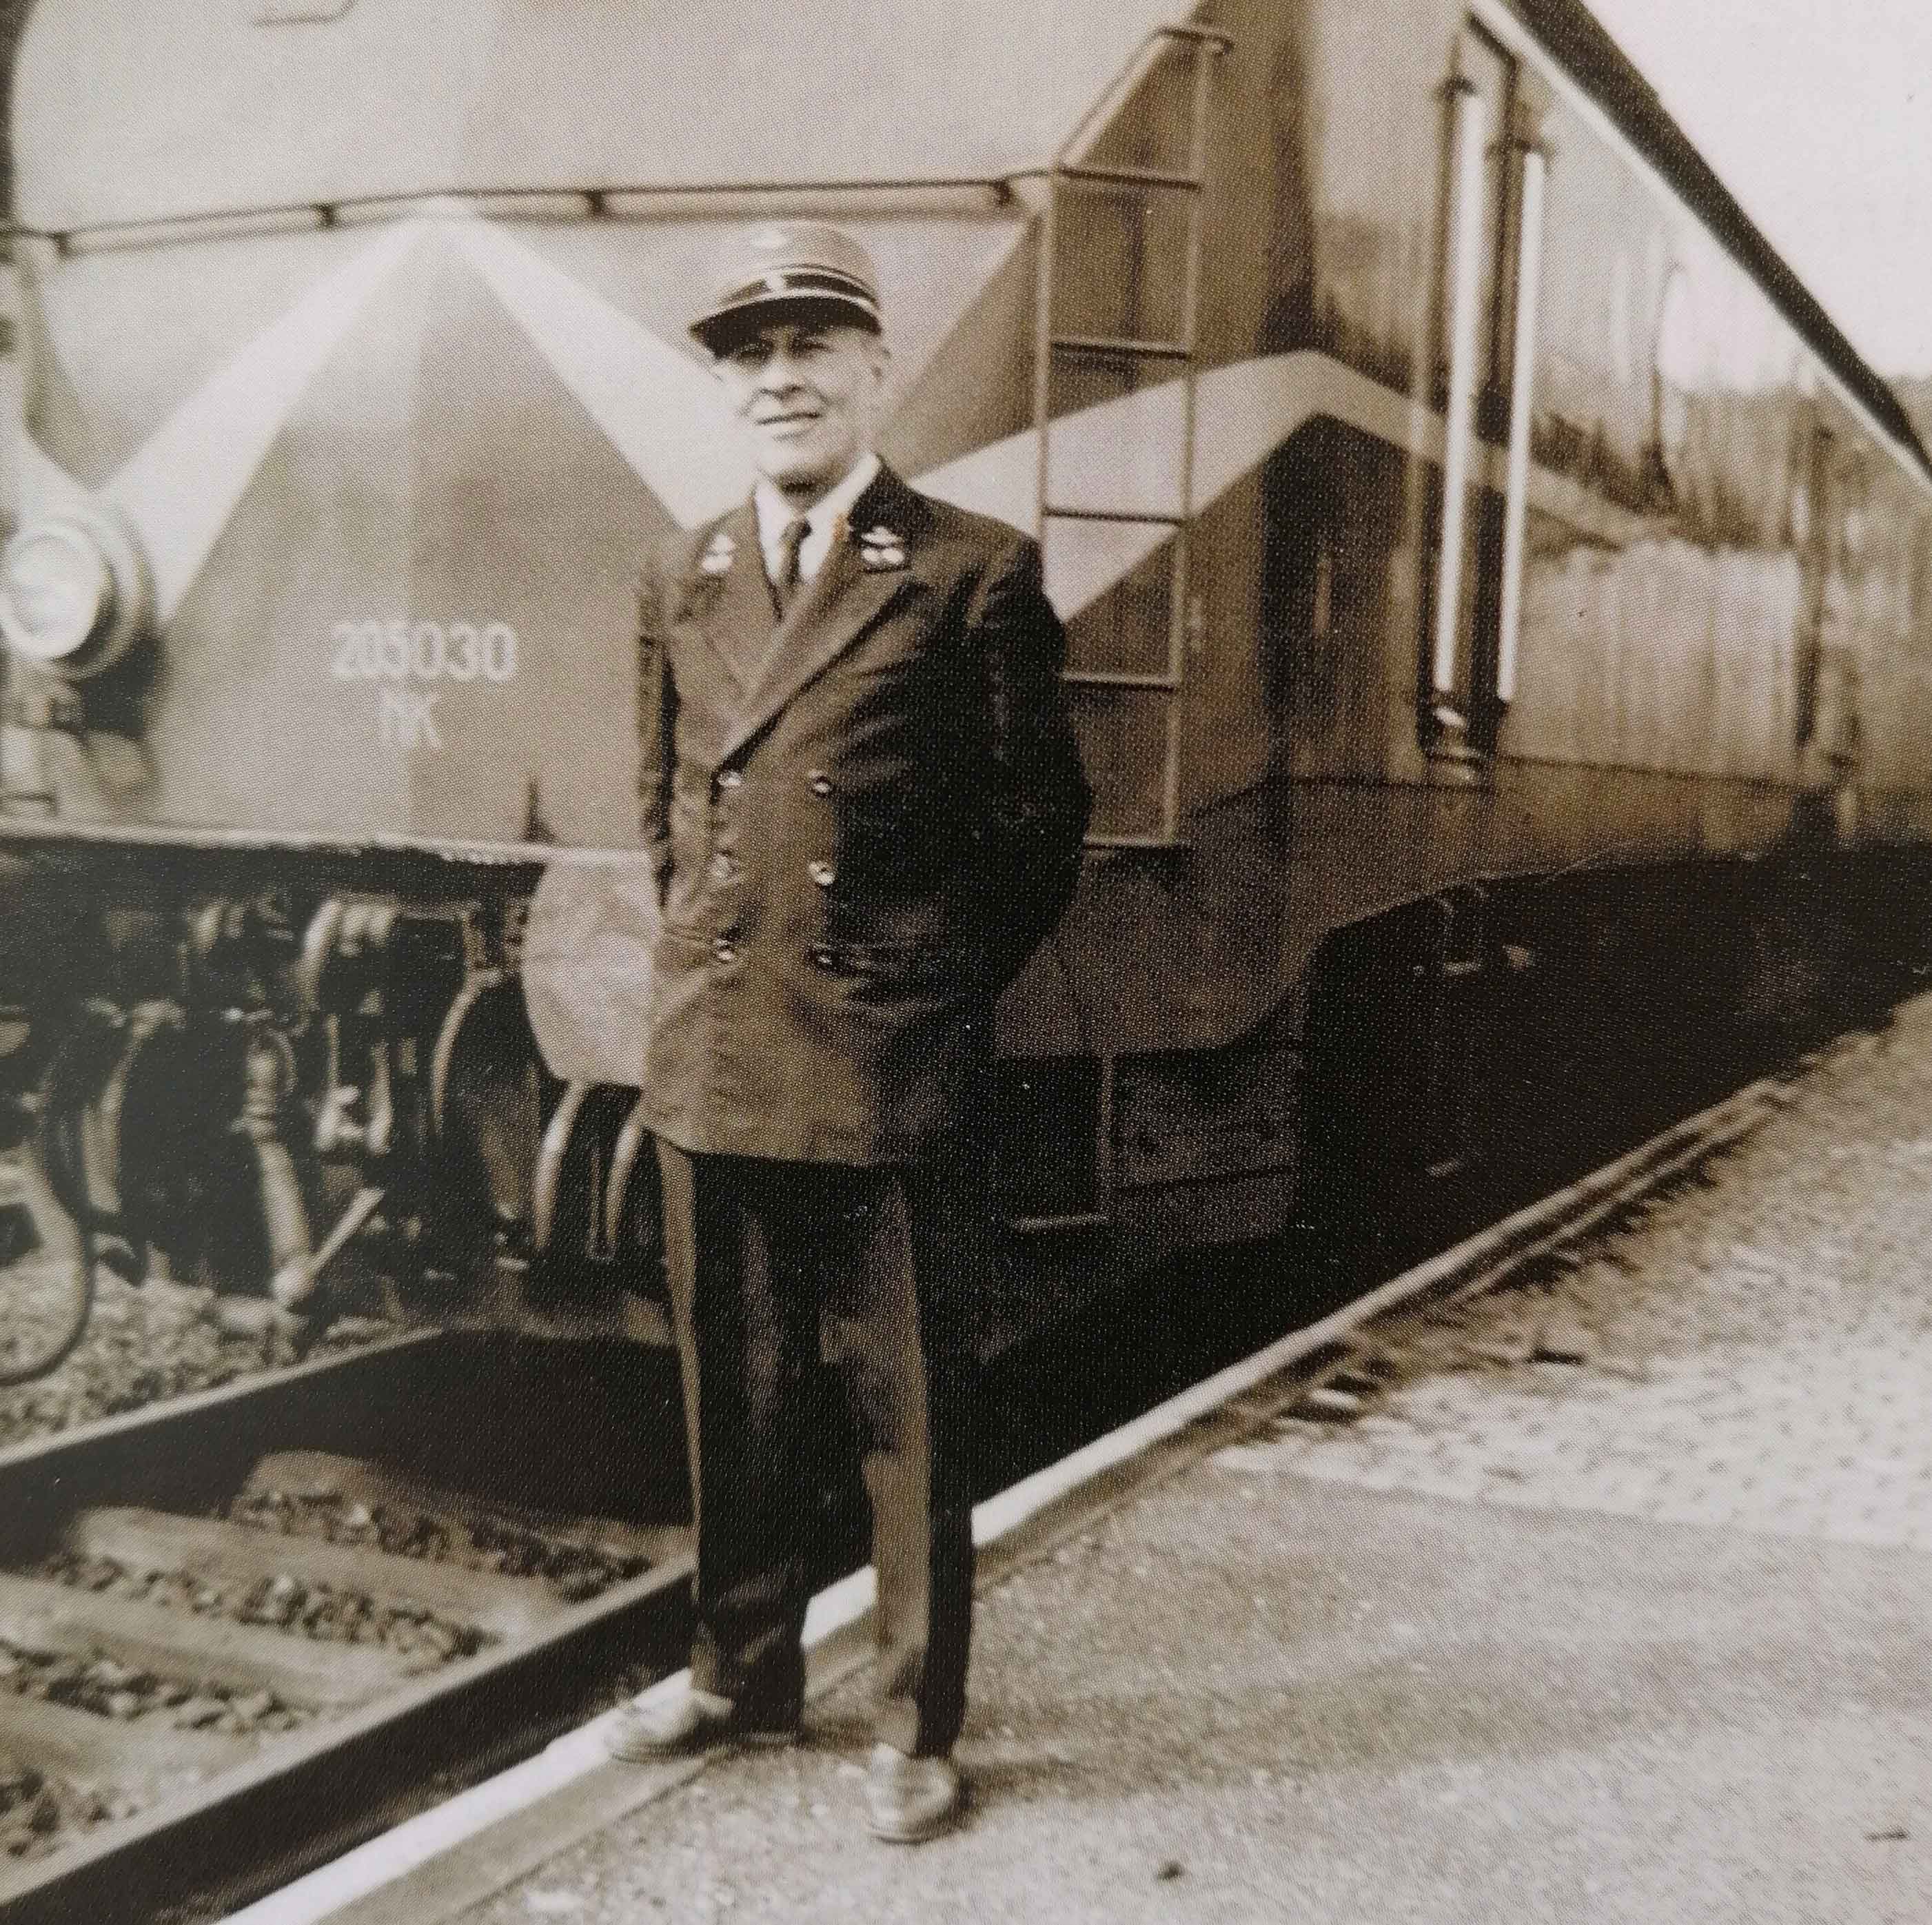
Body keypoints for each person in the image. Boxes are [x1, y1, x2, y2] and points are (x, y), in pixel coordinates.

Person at [606, 221, 1091, 1844]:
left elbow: (1037, 830)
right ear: (725, 387)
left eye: (813, 342)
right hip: (719, 1038)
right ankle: (739, 1670)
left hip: (886, 1052)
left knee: (911, 1414)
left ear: (877, 367)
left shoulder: (969, 569)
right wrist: (710, 953)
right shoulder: (680, 570)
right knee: (733, 1391)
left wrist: (915, 982)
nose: (781, 377)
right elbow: (669, 807)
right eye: (749, 354)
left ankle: (911, 1719)